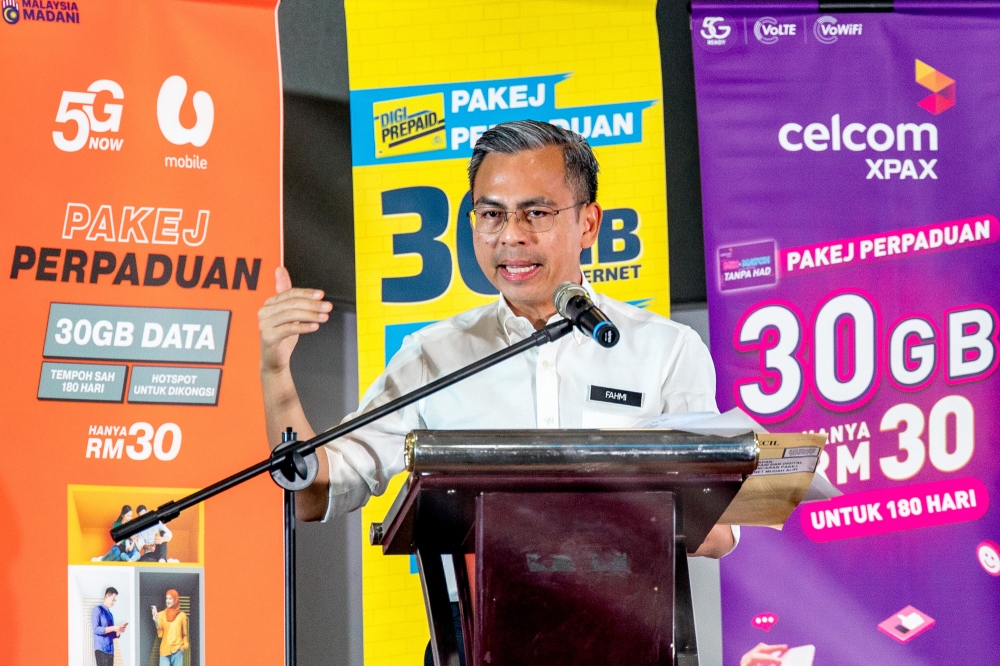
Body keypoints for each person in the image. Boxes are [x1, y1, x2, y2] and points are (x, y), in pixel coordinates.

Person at [257, 119, 736, 558]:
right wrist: (276, 372)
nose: (511, 236)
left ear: (587, 223)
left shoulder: (666, 350)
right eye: (491, 214)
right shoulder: (434, 356)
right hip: (469, 642)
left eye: (536, 214)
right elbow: (317, 490)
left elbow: (716, 530)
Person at [151, 589, 189, 666]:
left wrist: (184, 646)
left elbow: (184, 634)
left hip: (177, 651)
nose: (167, 601)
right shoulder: (161, 614)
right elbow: (160, 634)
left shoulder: (182, 615)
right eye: (166, 598)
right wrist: (155, 620)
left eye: (170, 598)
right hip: (164, 651)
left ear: (175, 599)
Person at [91, 586, 127, 666]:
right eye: (113, 600)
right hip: (101, 649)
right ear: (107, 596)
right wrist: (114, 628)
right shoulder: (97, 609)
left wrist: (118, 631)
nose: (114, 602)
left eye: (115, 600)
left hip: (110, 650)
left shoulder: (110, 614)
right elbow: (96, 629)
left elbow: (111, 634)